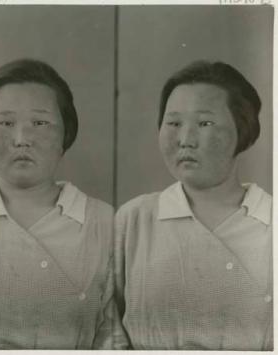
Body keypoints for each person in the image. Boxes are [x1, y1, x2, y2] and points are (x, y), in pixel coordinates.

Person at [0, 59, 128, 349]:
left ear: (66, 132)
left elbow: (115, 336)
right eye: (5, 123)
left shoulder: (104, 222)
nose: (21, 139)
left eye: (40, 123)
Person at [115, 61, 272, 350]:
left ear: (243, 130)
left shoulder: (269, 223)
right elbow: (106, 328)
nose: (185, 140)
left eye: (205, 123)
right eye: (173, 123)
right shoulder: (134, 220)